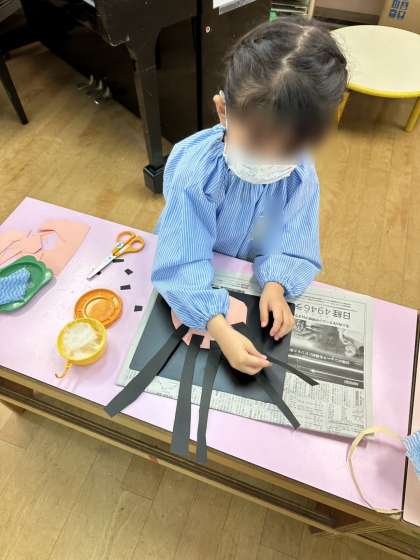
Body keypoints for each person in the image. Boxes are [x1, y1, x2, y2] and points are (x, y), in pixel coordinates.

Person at [152, 16, 347, 375]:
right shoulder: (198, 172)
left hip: (243, 270)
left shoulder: (299, 172)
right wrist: (216, 325)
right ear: (223, 111)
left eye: (290, 147)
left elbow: (293, 236)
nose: (272, 158)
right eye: (257, 141)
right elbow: (181, 257)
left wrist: (276, 282)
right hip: (198, 267)